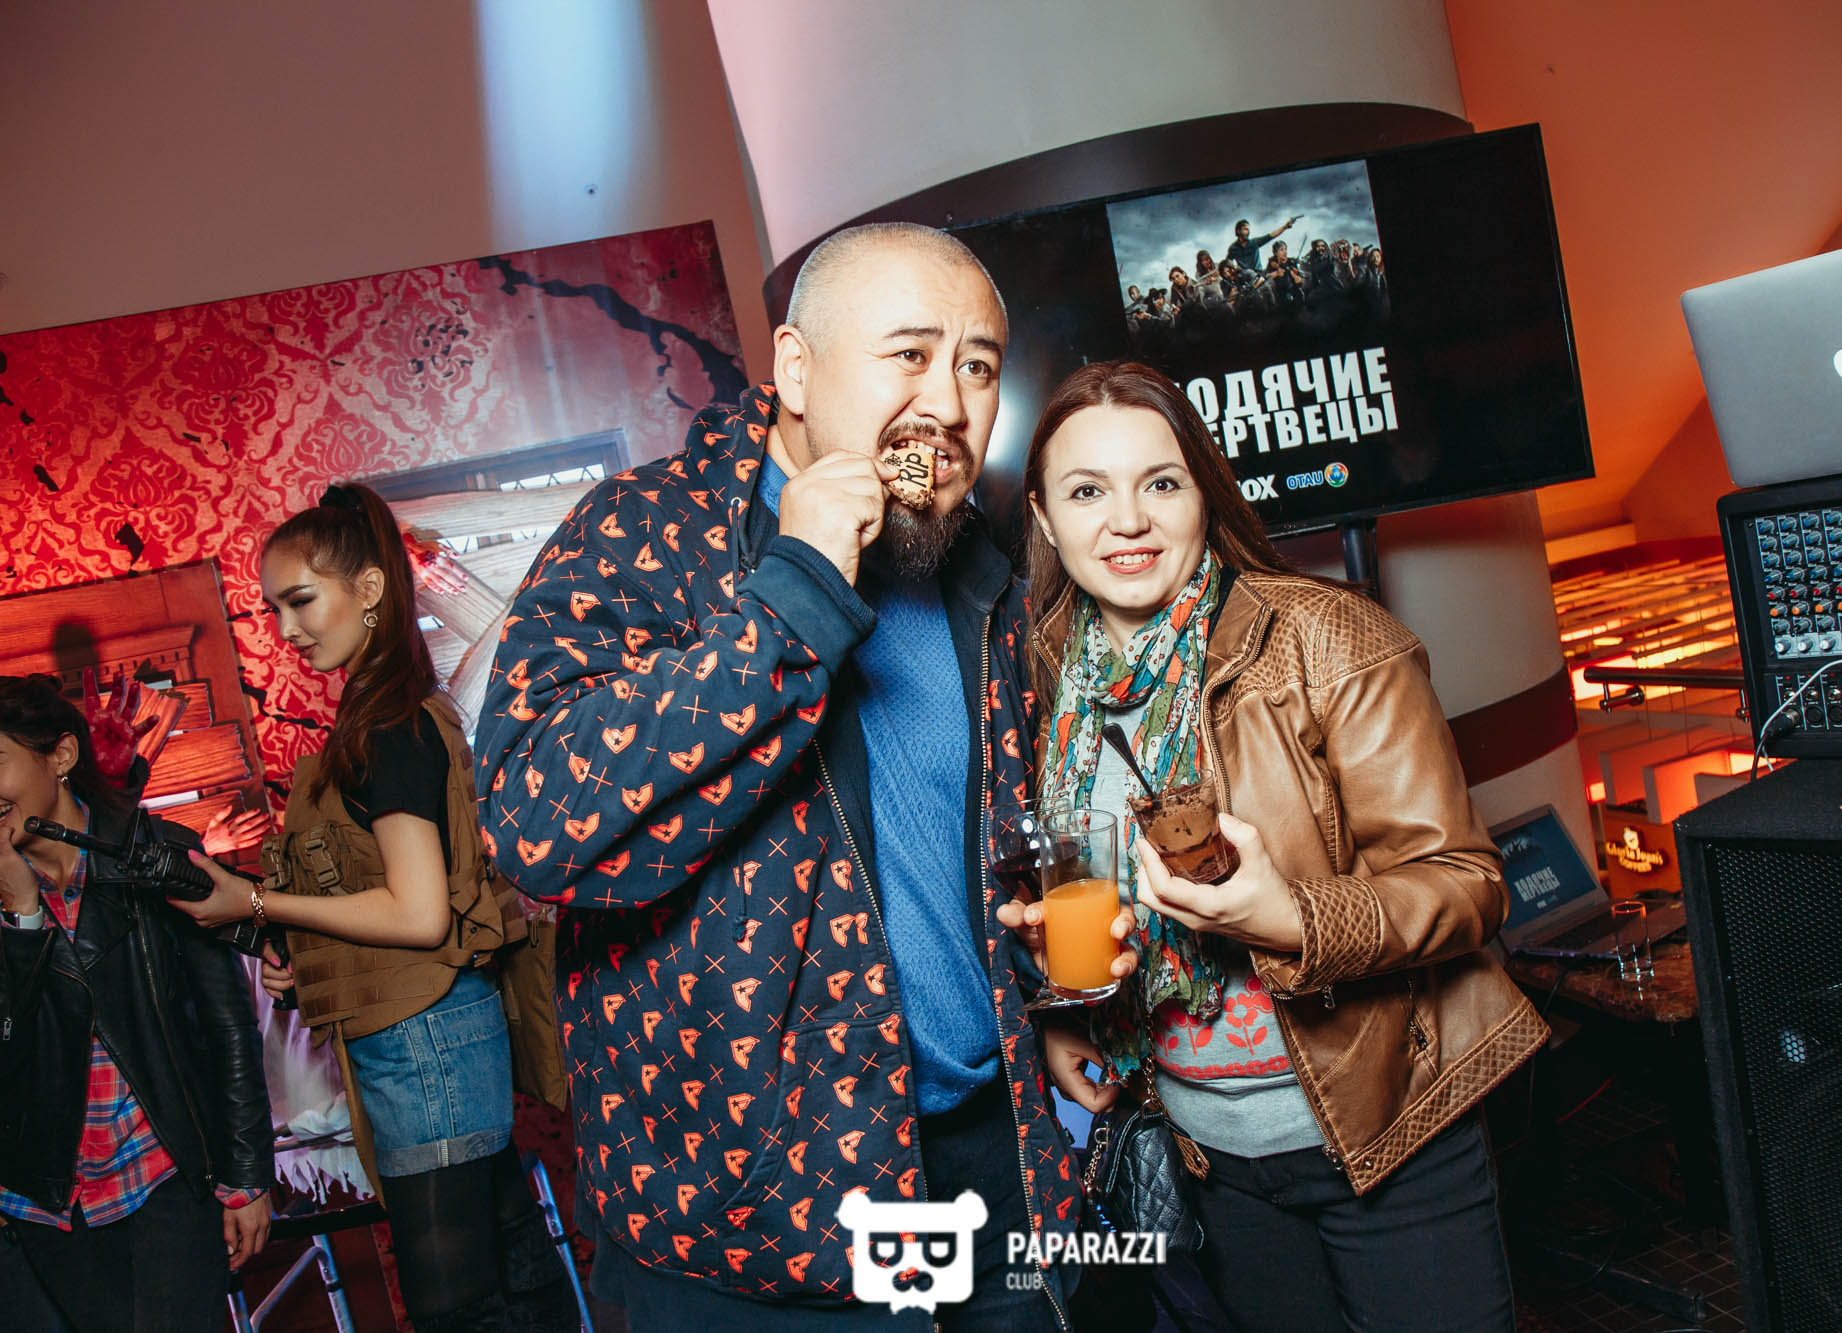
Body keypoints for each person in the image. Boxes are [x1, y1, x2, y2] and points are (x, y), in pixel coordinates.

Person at [475, 222, 1083, 1330]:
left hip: (993, 1167)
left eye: (977, 365)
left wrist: (1048, 986)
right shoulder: (646, 533)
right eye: (909, 354)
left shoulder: (979, 566)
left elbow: (963, 860)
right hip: (758, 1229)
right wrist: (794, 592)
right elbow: (534, 824)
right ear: (795, 371)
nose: (949, 403)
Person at [1002, 361, 1548, 1332]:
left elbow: (1467, 885)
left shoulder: (1326, 638)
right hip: (1209, 1155)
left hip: (1388, 1132)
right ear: (1043, 518)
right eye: (1086, 491)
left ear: (1204, 493)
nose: (1127, 520)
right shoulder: (1040, 681)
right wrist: (1066, 1007)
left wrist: (1288, 916)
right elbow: (1065, 886)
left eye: (1160, 482)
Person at [170, 482, 575, 1333]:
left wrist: (256, 898)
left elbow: (418, 913)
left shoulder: (388, 723)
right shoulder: (382, 710)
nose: (286, 628)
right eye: (275, 608)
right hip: (428, 1026)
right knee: (505, 1259)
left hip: (426, 1034)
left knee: (453, 1299)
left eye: (300, 599)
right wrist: (306, 951)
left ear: (369, 589)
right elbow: (382, 892)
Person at [0, 673, 274, 1332]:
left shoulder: (158, 854)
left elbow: (228, 1027)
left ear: (61, 756)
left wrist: (247, 1175)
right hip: (46, 1202)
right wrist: (23, 919)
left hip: (163, 1172)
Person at [1225, 214, 1299, 278]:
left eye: (1248, 230)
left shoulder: (1254, 242)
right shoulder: (1233, 248)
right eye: (1245, 229)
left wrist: (1285, 227)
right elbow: (1227, 262)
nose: (1248, 232)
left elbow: (1271, 235)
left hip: (1258, 275)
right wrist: (1235, 268)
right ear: (1238, 231)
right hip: (1244, 277)